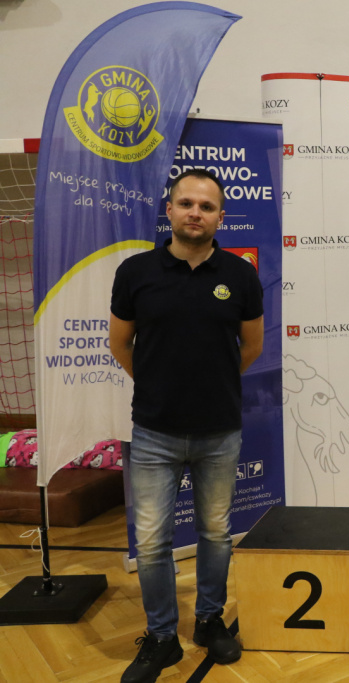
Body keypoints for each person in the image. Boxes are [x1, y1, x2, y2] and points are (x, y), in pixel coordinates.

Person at [110, 169, 264, 682]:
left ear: (221, 217)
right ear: (170, 210)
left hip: (220, 431)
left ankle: (208, 621)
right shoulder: (135, 272)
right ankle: (161, 638)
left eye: (207, 206)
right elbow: (120, 344)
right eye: (187, 204)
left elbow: (252, 346)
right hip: (153, 433)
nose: (196, 213)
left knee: (216, 533)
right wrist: (158, 385)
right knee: (153, 541)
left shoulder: (240, 275)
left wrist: (210, 385)